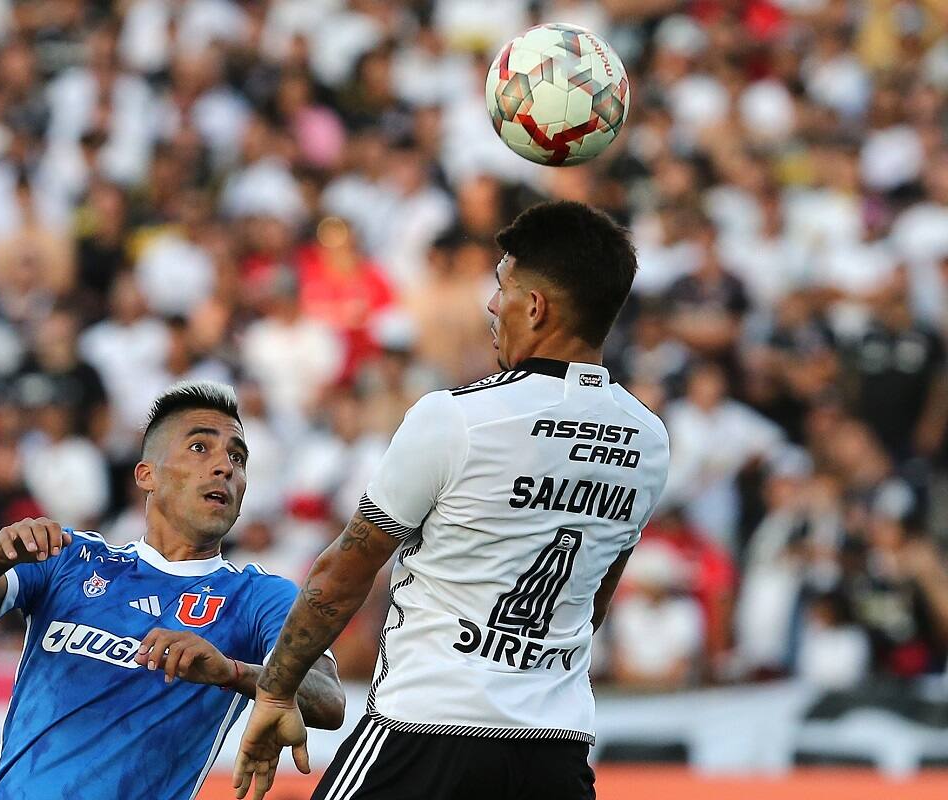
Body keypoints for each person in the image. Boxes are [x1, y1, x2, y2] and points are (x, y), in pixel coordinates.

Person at [234, 201, 671, 800]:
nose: (493, 305)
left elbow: (344, 571)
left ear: (536, 307)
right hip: (555, 747)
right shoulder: (648, 439)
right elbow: (593, 598)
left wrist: (277, 689)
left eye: (502, 287)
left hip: (425, 730)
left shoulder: (456, 416)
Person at [0, 381, 345, 800]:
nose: (225, 467)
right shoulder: (69, 558)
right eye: (200, 448)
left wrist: (230, 671)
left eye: (238, 457)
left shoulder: (257, 597)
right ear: (147, 475)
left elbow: (329, 700)